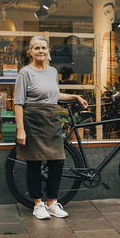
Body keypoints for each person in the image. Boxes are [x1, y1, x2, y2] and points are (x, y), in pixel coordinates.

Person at [14, 36, 88, 220]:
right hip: (32, 120)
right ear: (30, 52)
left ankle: (52, 203)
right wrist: (20, 129)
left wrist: (74, 97)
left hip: (51, 119)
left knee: (57, 162)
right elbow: (18, 103)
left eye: (44, 48)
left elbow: (54, 94)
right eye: (37, 48)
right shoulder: (25, 73)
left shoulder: (52, 71)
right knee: (34, 162)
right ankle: (38, 204)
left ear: (48, 52)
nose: (41, 51)